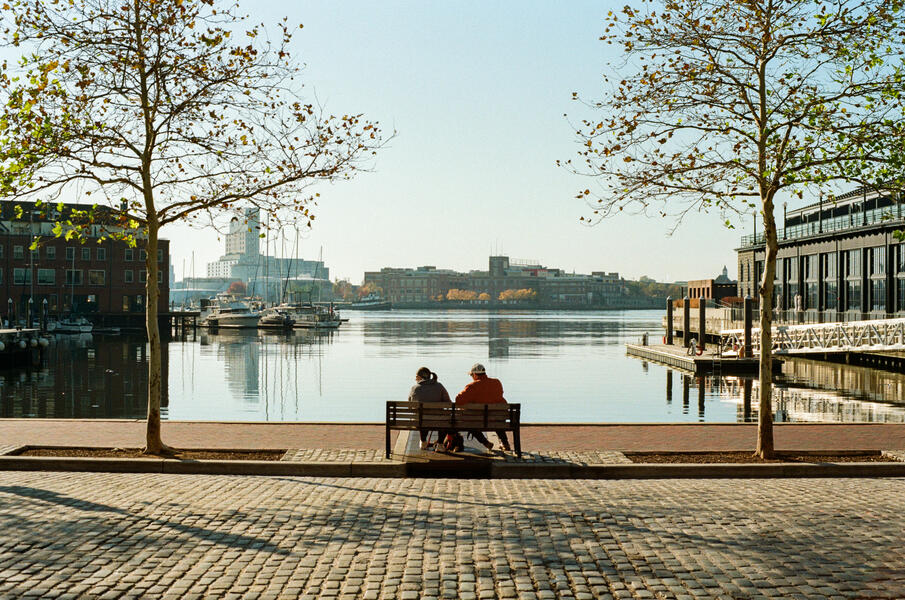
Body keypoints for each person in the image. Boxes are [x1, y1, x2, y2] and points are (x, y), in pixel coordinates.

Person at [453, 362, 512, 452]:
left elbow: (458, 400)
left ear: (475, 375)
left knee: (469, 422)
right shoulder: (496, 383)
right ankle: (505, 443)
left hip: (478, 420)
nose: (472, 377)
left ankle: (485, 442)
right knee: (497, 418)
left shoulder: (472, 386)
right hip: (497, 418)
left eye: (471, 375)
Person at [407, 366, 451, 450]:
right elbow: (448, 403)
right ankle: (440, 444)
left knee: (421, 416)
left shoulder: (414, 388)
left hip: (421, 421)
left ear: (420, 377)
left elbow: (410, 406)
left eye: (416, 377)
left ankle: (423, 442)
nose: (415, 379)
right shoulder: (439, 386)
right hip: (438, 419)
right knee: (445, 419)